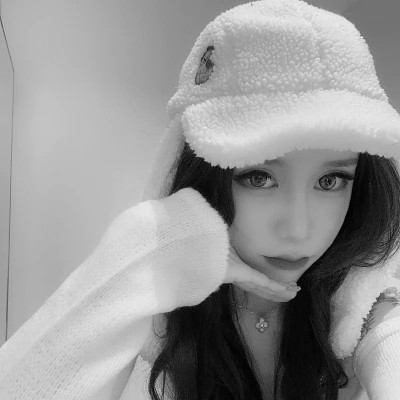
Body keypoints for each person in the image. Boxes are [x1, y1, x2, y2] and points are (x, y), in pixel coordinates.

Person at [1, 0, 400, 399]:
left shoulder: (364, 308)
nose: (298, 230)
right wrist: (150, 245)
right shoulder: (158, 305)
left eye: (331, 181)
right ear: (206, 173)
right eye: (259, 177)